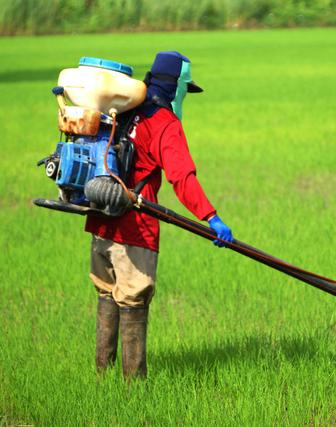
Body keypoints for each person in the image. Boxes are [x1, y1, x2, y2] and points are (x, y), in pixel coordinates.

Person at [84, 51, 234, 379]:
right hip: (134, 225)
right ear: (175, 86)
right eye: (185, 89)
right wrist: (212, 217)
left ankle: (101, 377)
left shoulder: (124, 109)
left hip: (100, 217)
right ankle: (133, 389)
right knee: (134, 299)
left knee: (107, 293)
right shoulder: (165, 123)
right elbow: (182, 177)